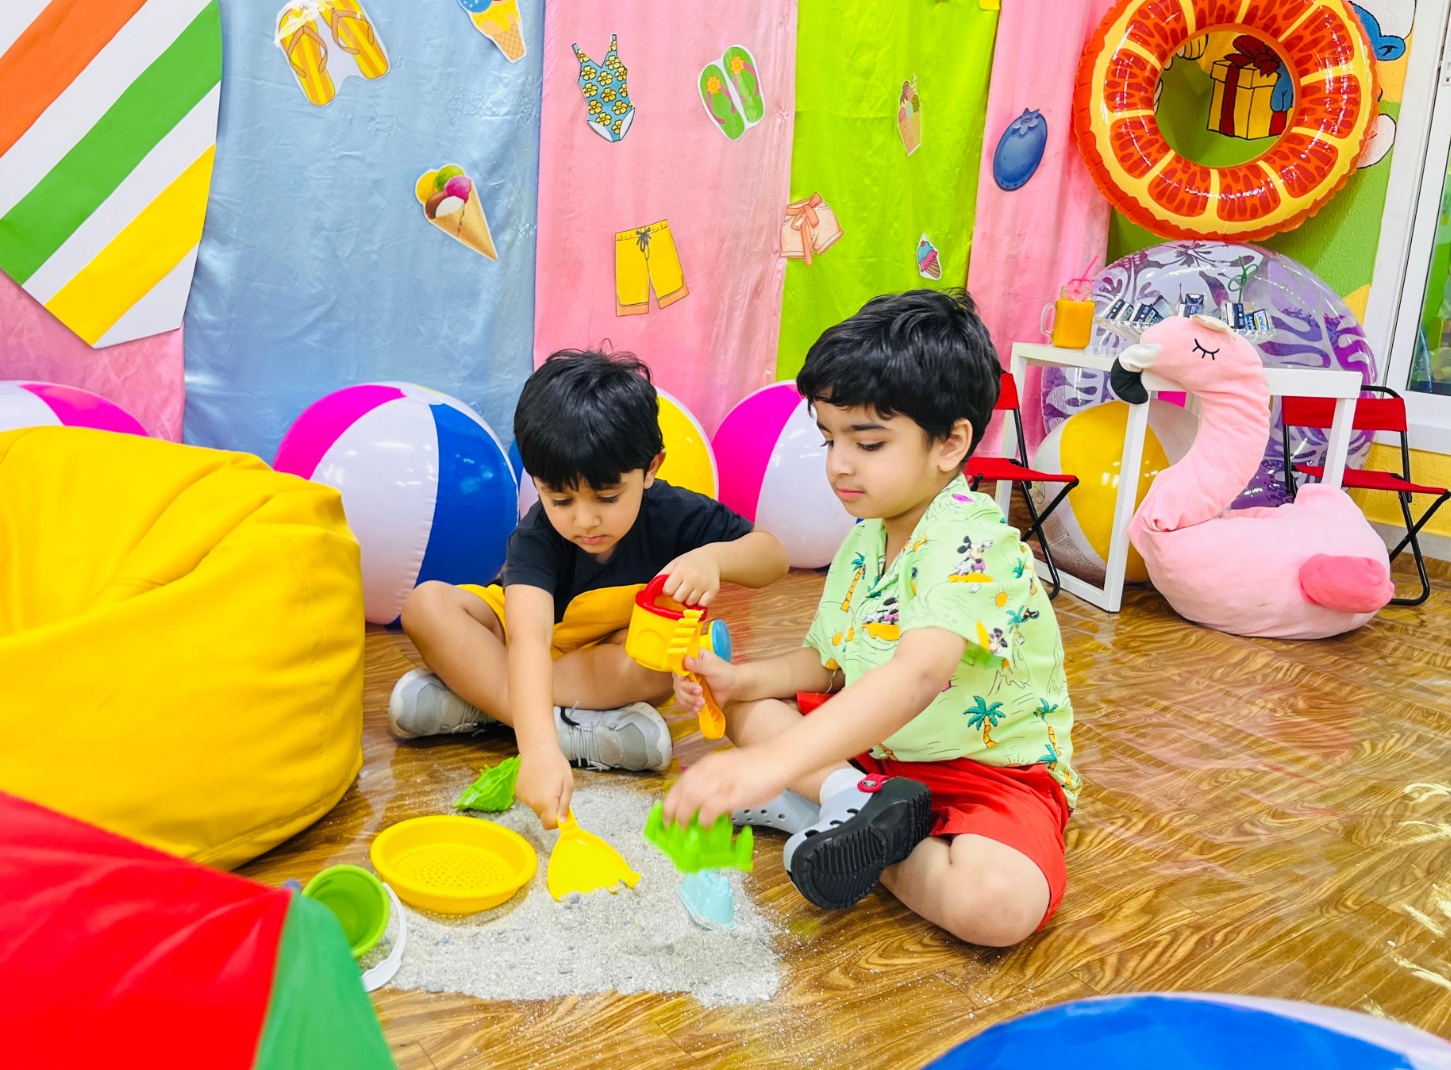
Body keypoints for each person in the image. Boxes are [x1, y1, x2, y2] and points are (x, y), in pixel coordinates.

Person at [662, 290, 1079, 947]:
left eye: (868, 442)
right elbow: (829, 663)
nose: (838, 464)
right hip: (874, 755)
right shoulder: (866, 535)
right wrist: (740, 681)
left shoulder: (972, 539)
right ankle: (843, 798)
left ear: (950, 444)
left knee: (997, 907)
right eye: (829, 438)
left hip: (985, 769)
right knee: (746, 709)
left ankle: (822, 805)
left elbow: (917, 675)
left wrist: (773, 766)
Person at [392, 349, 790, 828]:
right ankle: (568, 731)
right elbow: (529, 640)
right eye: (559, 499)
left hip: (601, 663)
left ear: (651, 468)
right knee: (426, 604)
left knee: (659, 668)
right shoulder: (538, 537)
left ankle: (478, 703)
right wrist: (540, 750)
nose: (584, 520)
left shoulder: (676, 513)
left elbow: (773, 557)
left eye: (607, 497)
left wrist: (714, 559)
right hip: (522, 647)